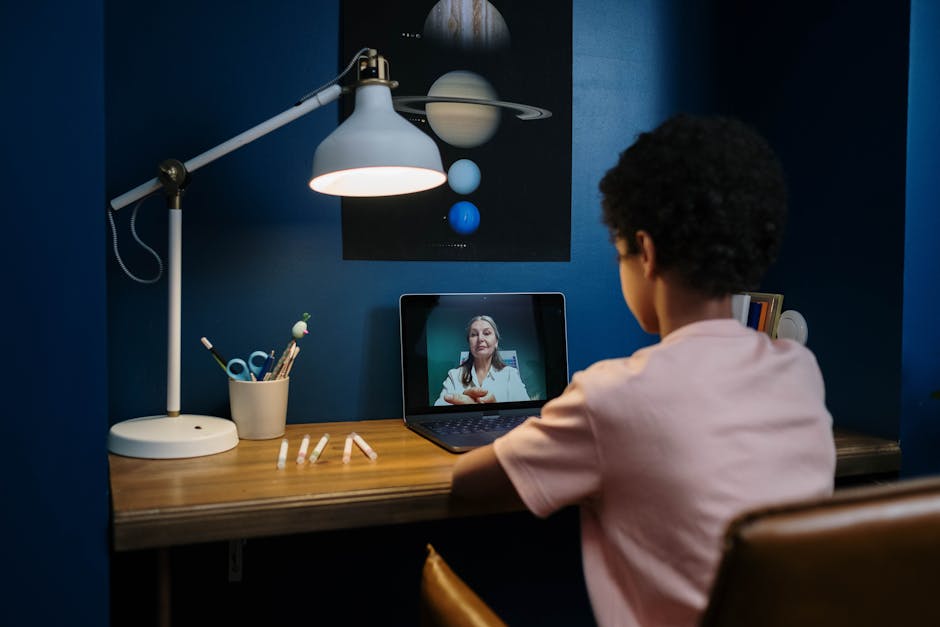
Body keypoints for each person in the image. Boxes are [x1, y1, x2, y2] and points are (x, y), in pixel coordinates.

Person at [451, 114, 836, 627]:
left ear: (646, 253)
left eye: (618, 254)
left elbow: (467, 484)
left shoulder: (611, 395)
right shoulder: (800, 371)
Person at [434, 315, 530, 405]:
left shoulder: (510, 374)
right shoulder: (454, 376)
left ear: (496, 342)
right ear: (469, 343)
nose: (480, 339)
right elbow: (438, 413)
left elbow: (526, 414)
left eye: (487, 333)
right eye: (474, 334)